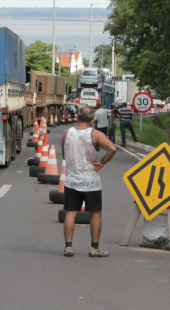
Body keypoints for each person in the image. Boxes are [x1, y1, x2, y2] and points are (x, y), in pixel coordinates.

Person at [61, 106, 116, 257]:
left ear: (77, 117)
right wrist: (102, 162)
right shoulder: (96, 134)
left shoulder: (67, 134)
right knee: (95, 214)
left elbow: (65, 156)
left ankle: (68, 247)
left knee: (71, 213)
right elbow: (112, 148)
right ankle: (94, 248)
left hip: (72, 180)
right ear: (93, 120)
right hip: (91, 181)